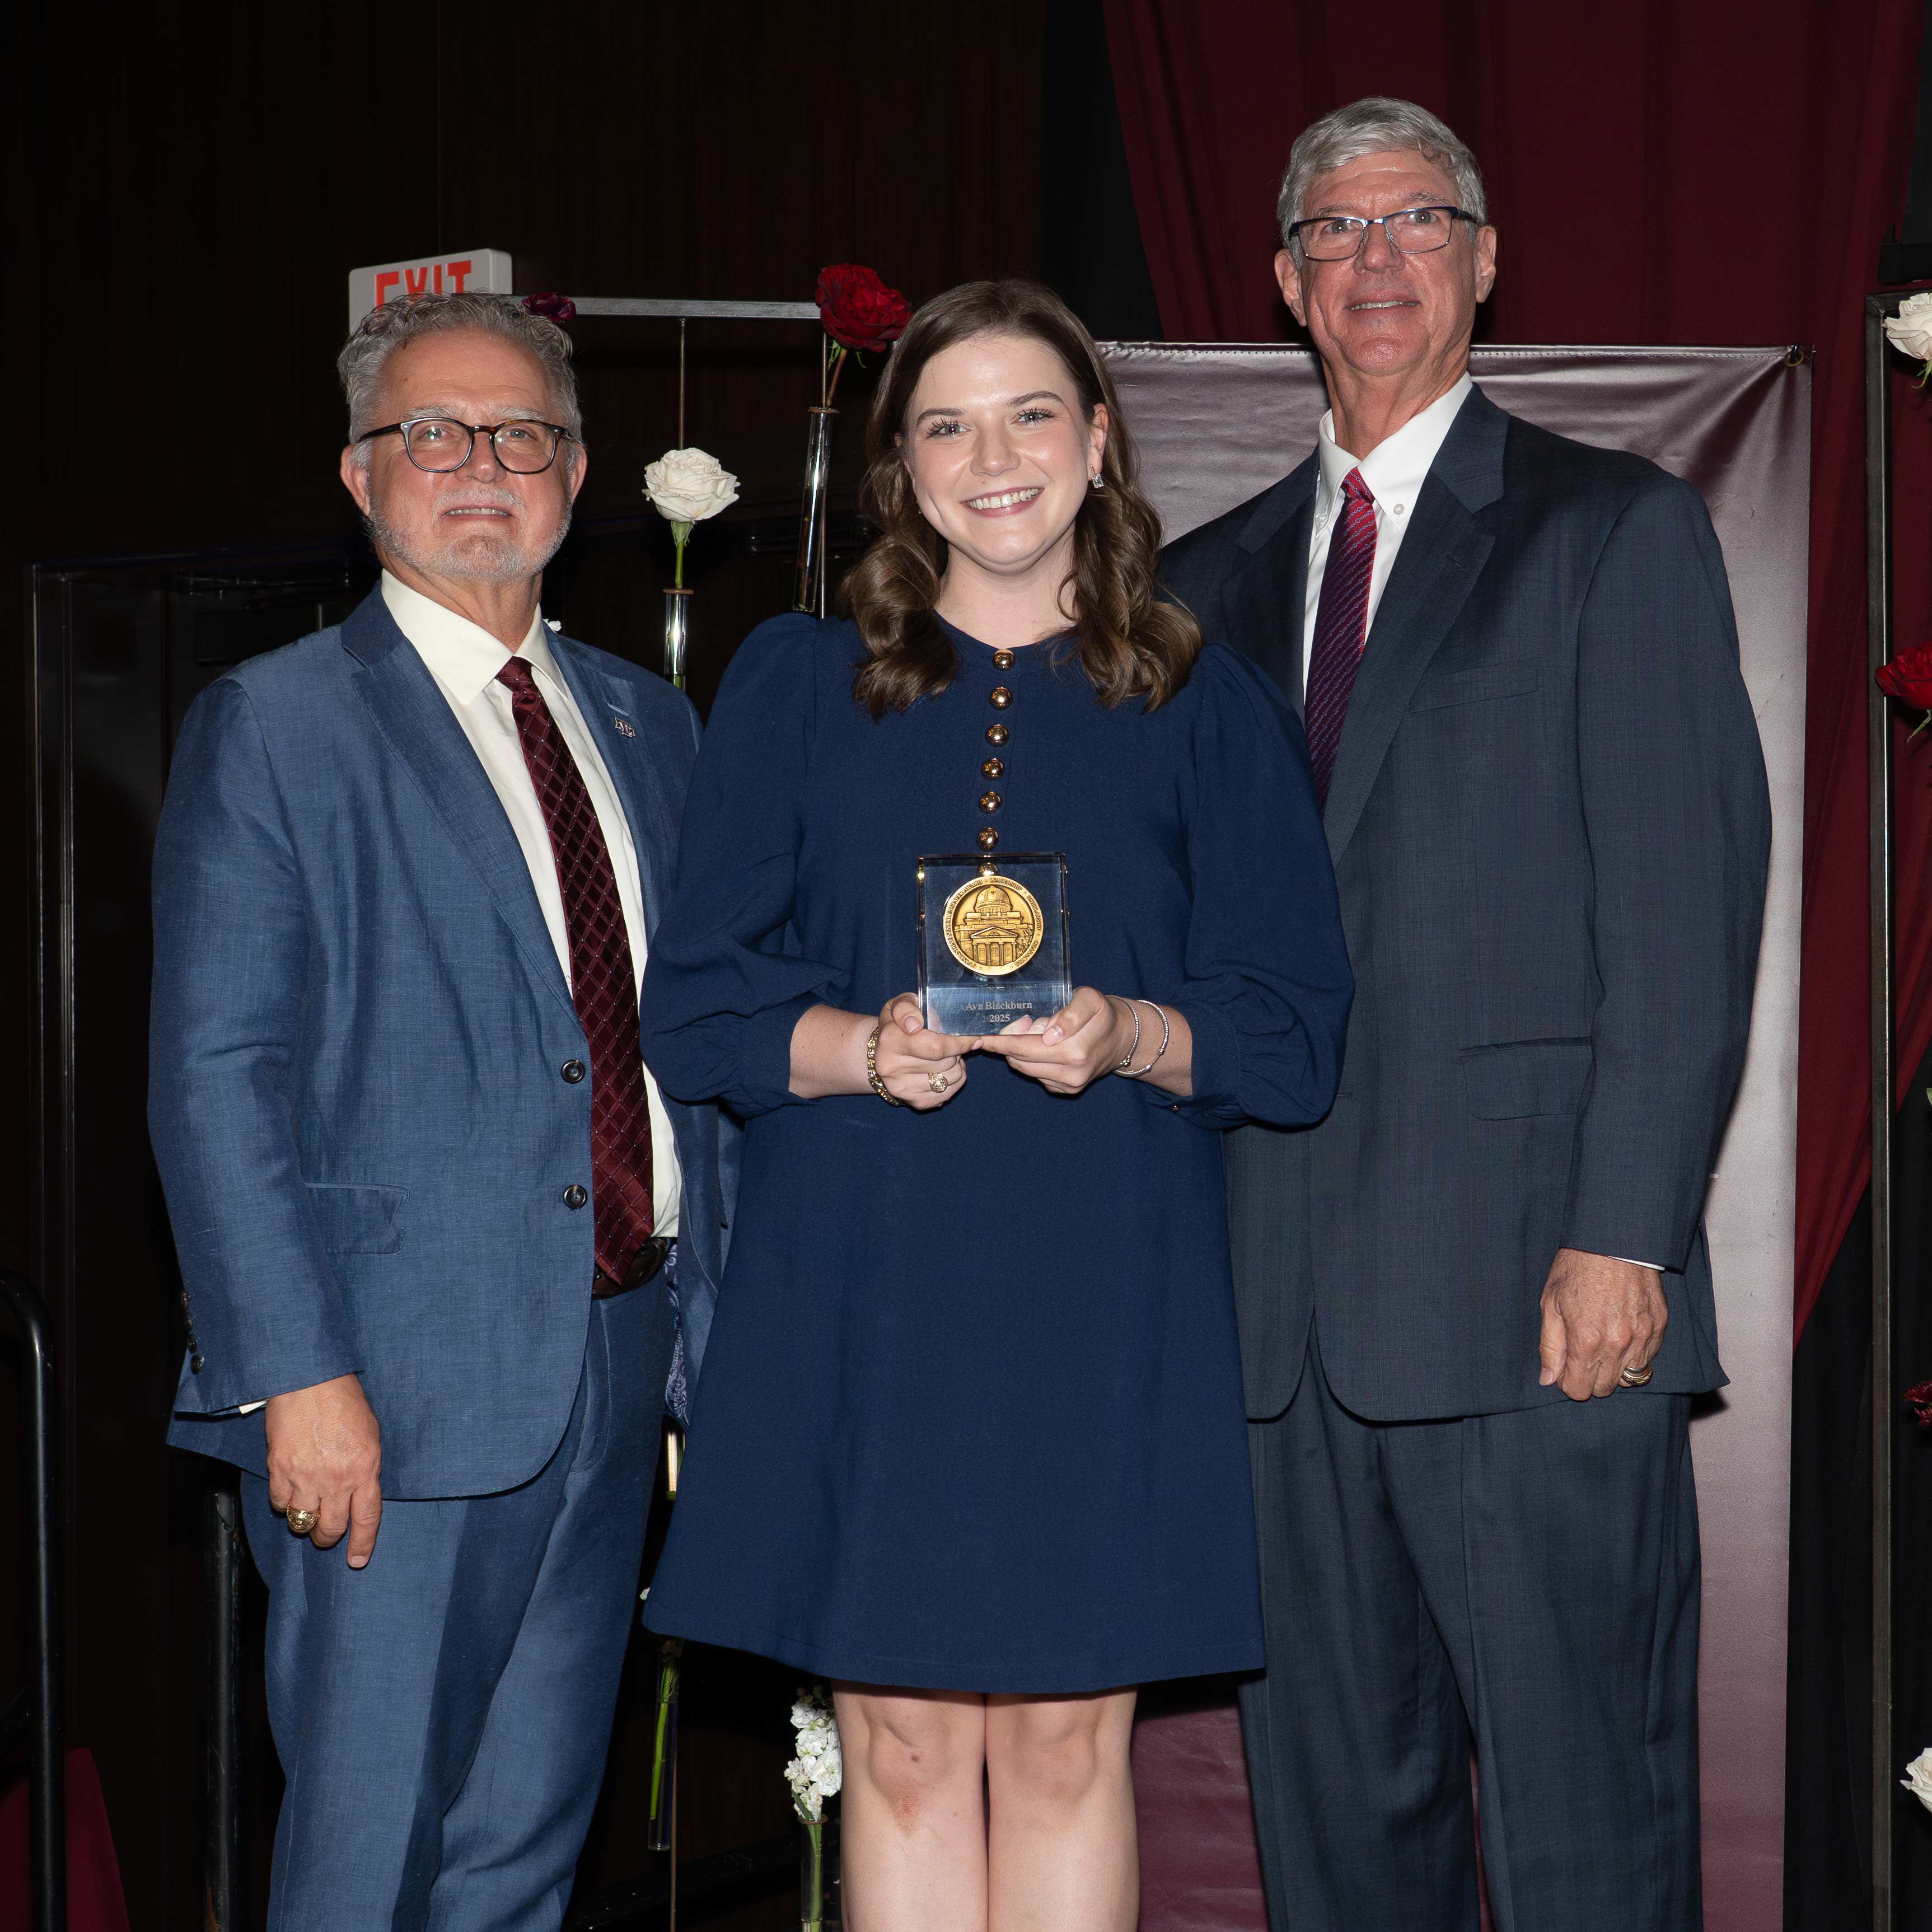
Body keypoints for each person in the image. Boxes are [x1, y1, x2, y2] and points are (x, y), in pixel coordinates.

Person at [637, 280, 1351, 1932]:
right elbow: (698, 1004)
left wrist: (1128, 1032)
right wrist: (852, 1044)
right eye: (945, 424)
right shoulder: (794, 684)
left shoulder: (1206, 702)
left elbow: (1292, 1032)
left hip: (1101, 1278)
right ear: (899, 472)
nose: (993, 455)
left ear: (1099, 441)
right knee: (890, 1745)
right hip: (861, 1276)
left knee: (1054, 1742)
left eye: (1032, 412)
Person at [1161, 97, 1772, 1932]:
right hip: (1273, 1334)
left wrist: (1621, 1232)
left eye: (1417, 220)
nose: (1374, 258)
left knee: (1588, 1835)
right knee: (1340, 1855)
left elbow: (1684, 915)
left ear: (1485, 261)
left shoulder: (1612, 531)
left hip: (1537, 1305)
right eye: (1332, 230)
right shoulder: (1196, 592)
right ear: (1282, 281)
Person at [149, 291, 732, 1929]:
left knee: (521, 1861)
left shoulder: (648, 721)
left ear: (574, 472)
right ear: (358, 473)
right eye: (432, 433)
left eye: (520, 434)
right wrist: (294, 1374)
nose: (480, 465)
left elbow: (685, 1047)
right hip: (381, 1400)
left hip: (612, 1368)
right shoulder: (274, 726)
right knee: (364, 1863)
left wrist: (703, 1347)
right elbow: (213, 1074)